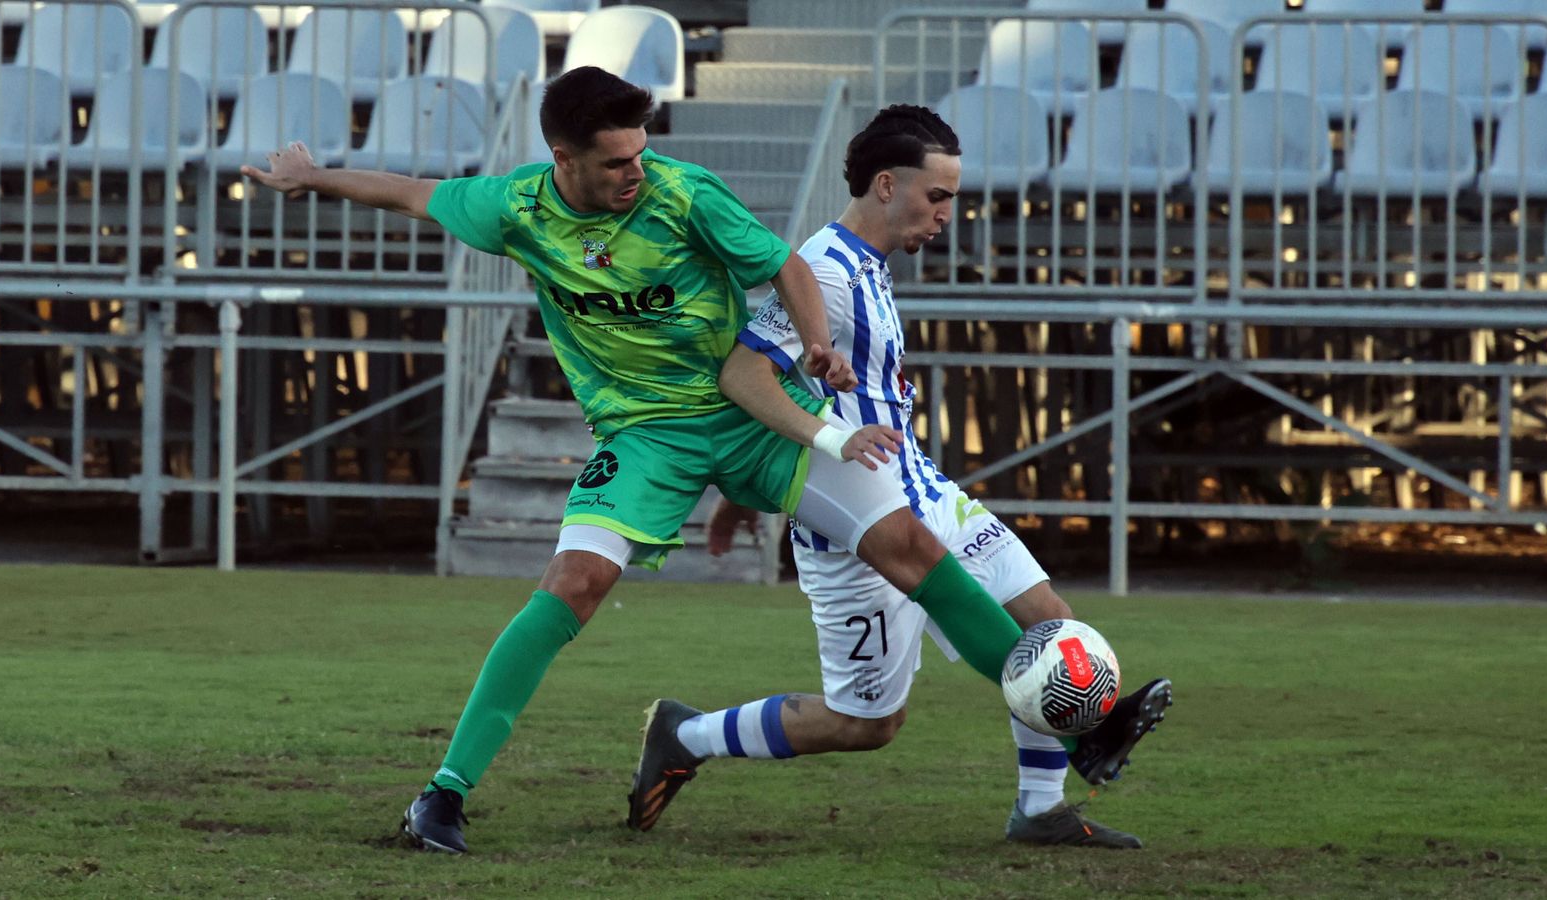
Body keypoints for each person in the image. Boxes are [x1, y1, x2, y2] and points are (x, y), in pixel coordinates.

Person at [242, 68, 1041, 854]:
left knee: (909, 546)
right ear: (565, 158)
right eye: (618, 161)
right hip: (644, 435)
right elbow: (413, 193)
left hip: (750, 419)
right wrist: (314, 177)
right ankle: (442, 797)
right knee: (572, 586)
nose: (637, 170)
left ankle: (1060, 706)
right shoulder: (514, 208)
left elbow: (787, 267)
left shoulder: (683, 191)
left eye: (641, 151)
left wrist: (820, 349)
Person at [624, 106, 1173, 848]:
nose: (948, 213)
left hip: (923, 492)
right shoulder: (823, 270)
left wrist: (740, 497)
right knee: (866, 723)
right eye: (937, 196)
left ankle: (1043, 804)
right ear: (887, 185)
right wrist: (817, 445)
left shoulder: (867, 263)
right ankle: (688, 735)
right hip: (858, 526)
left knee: (1047, 618)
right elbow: (745, 375)